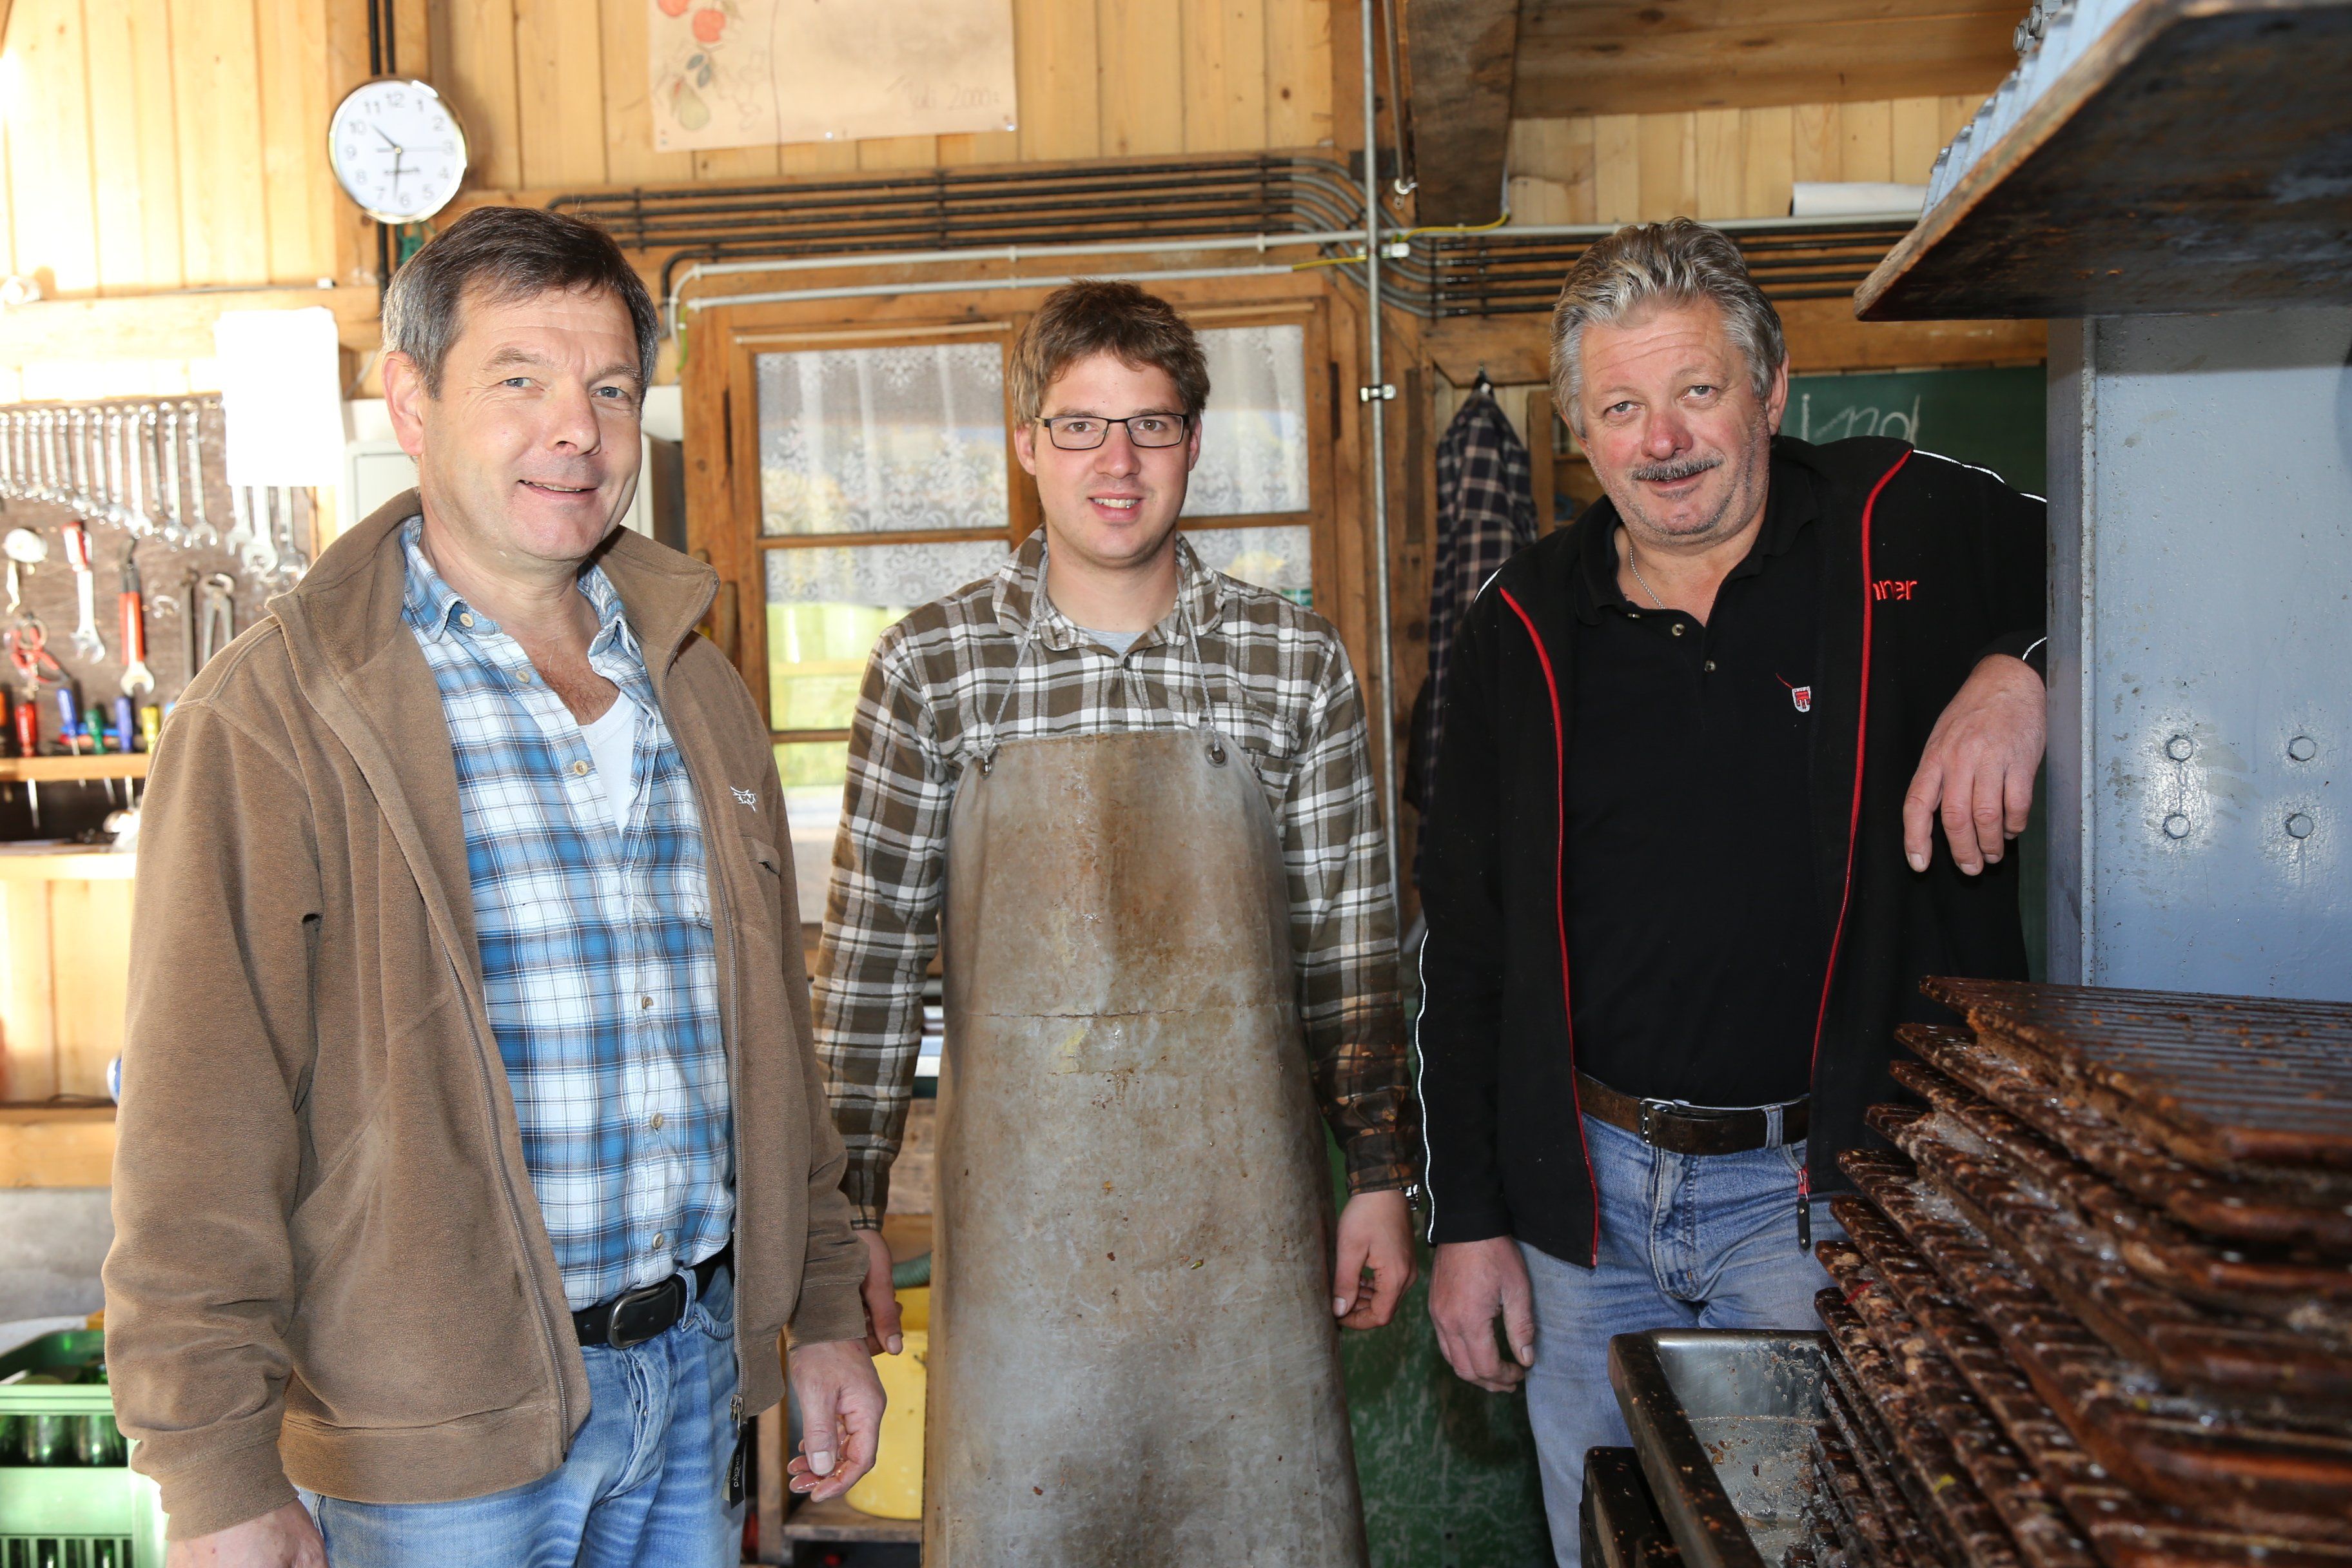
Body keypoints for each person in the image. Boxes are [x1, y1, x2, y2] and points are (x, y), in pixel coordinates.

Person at [103, 206, 883, 1568]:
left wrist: (818, 1307)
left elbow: (769, 1038)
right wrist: (215, 1470)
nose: (574, 430)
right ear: (412, 402)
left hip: (691, 1379)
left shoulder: (694, 682)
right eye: (519, 379)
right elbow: (196, 1120)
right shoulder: (277, 715)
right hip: (429, 1442)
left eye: (610, 390)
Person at [1416, 219, 2046, 1563]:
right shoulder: (1519, 623)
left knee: (1816, 1543)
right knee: (1610, 1541)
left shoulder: (1906, 520)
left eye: (1697, 390)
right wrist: (1467, 1219)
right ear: (1578, 434)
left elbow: (2126, 551)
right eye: (1620, 409)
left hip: (1826, 1197)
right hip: (1586, 1208)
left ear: (1770, 389)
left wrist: (2020, 668)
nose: (1664, 441)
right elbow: (1465, 952)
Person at [812, 279, 1418, 1563]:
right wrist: (849, 1210)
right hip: (1022, 1253)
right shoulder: (934, 667)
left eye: (1151, 424)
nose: (1118, 462)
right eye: (1080, 426)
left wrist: (1379, 1172)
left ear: (1195, 440)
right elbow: (868, 973)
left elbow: (1352, 955)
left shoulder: (1292, 662)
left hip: (1248, 1240)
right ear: (1025, 443)